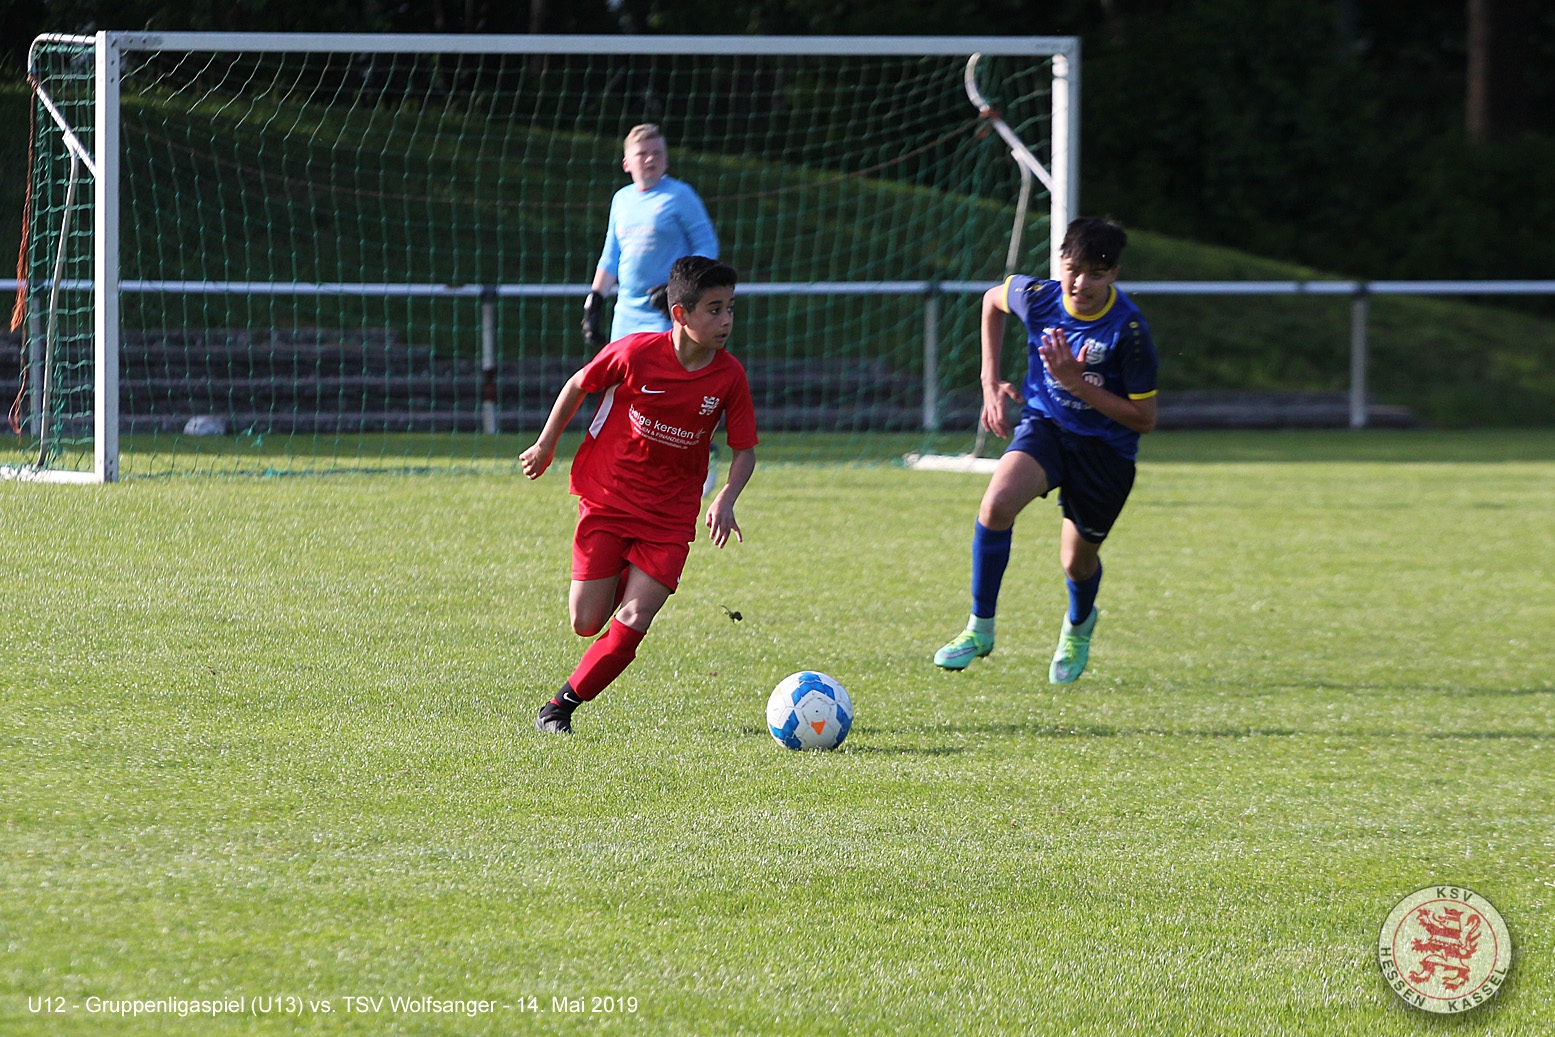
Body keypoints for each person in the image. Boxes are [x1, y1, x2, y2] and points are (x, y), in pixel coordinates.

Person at [524, 256, 757, 734]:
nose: (726, 320)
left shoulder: (729, 376)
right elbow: (578, 384)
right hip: (609, 498)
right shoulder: (634, 353)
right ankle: (626, 571)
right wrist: (546, 445)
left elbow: (745, 452)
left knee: (635, 616)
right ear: (680, 314)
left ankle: (559, 708)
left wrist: (726, 497)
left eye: (730, 308)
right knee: (586, 622)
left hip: (670, 518)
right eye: (714, 309)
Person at [933, 218, 1158, 684]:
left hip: (1106, 451)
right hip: (1047, 427)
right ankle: (979, 629)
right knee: (996, 505)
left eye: (1096, 274)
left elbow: (1144, 418)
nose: (1081, 283)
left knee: (1076, 562)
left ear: (1114, 274)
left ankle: (1079, 625)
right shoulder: (1039, 297)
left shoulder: (1129, 331)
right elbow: (991, 301)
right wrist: (990, 381)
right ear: (1061, 263)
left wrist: (1076, 382)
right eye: (1073, 269)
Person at [582, 124, 719, 347]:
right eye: (642, 153)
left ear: (666, 160)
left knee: (661, 369)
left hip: (667, 311)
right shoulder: (621, 200)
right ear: (626, 163)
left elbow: (707, 247)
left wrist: (679, 290)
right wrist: (594, 303)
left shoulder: (681, 195)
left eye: (657, 153)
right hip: (626, 313)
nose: (650, 159)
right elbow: (611, 257)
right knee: (623, 369)